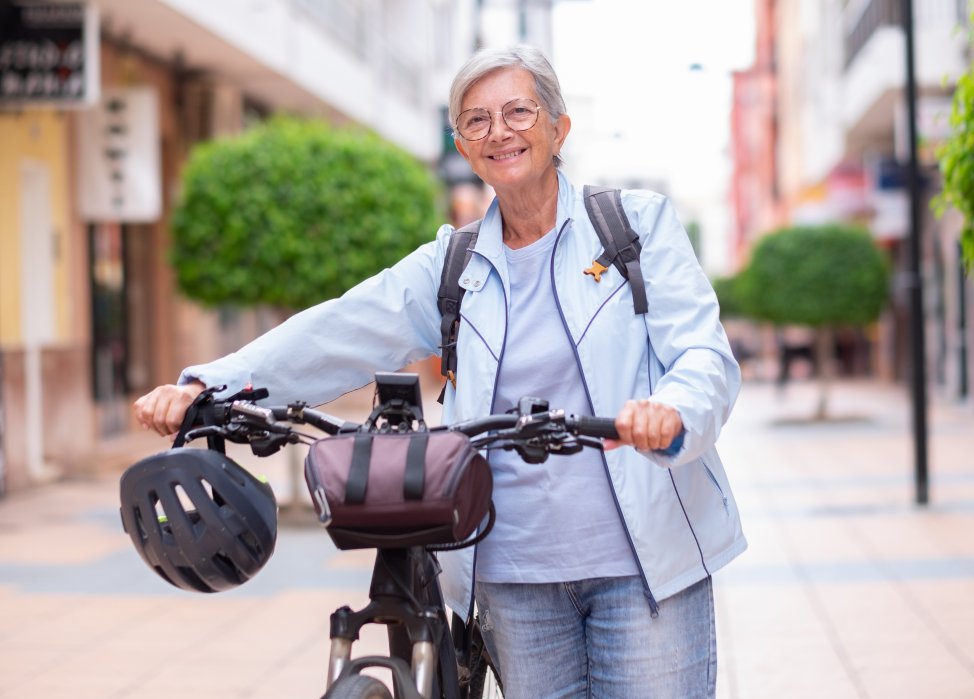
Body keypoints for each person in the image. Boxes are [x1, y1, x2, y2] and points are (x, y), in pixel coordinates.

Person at [135, 44, 745, 698]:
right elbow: (339, 330)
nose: (499, 132)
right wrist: (207, 387)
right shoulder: (451, 264)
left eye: (518, 111)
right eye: (476, 121)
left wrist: (673, 410)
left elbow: (703, 355)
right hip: (513, 574)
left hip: (646, 566)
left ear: (559, 128)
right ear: (460, 143)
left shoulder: (632, 227)